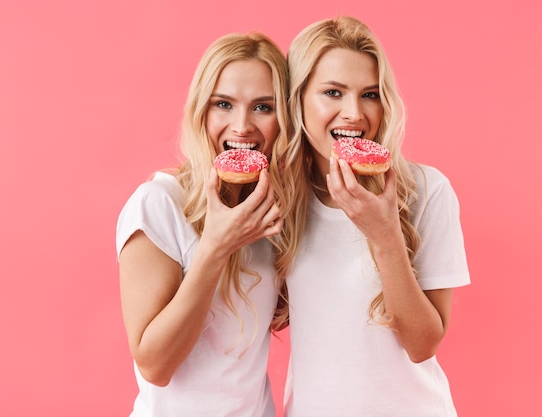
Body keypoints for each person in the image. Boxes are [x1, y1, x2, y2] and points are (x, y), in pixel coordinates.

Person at [274, 16, 471, 416]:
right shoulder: (281, 199)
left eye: (369, 94)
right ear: (298, 100)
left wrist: (384, 235)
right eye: (333, 92)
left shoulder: (426, 191)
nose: (354, 113)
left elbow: (422, 344)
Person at [116, 32, 289, 417]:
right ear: (201, 111)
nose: (242, 125)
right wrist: (216, 247)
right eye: (223, 104)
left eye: (263, 107)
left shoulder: (270, 213)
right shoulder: (159, 204)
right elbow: (155, 366)